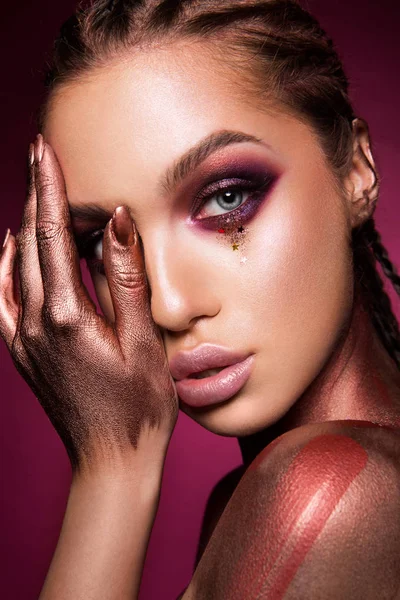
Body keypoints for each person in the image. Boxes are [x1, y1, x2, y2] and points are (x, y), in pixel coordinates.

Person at [1, 0, 399, 597]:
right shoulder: (245, 500)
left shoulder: (328, 490)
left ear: (357, 170)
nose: (167, 306)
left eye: (226, 198)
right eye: (106, 245)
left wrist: (113, 468)